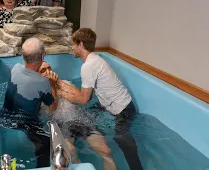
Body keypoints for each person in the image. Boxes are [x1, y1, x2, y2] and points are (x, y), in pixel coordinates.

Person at [57, 28, 144, 170]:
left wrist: (63, 94)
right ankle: (89, 138)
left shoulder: (88, 66)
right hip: (114, 106)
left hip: (123, 110)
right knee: (85, 117)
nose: (72, 48)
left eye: (74, 44)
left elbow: (84, 99)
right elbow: (85, 96)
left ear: (80, 44)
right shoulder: (95, 59)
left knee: (120, 137)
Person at [39, 62, 117, 170]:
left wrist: (58, 83)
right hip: (60, 125)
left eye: (49, 68)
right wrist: (52, 86)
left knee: (106, 151)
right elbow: (52, 109)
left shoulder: (64, 83)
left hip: (80, 119)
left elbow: (81, 97)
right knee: (70, 152)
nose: (48, 72)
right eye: (43, 70)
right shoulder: (38, 94)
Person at [0, 38, 58, 168]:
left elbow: (28, 81)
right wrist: (52, 85)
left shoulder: (15, 68)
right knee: (48, 144)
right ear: (43, 56)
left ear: (22, 56)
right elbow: (53, 108)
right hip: (25, 125)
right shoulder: (42, 83)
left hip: (5, 119)